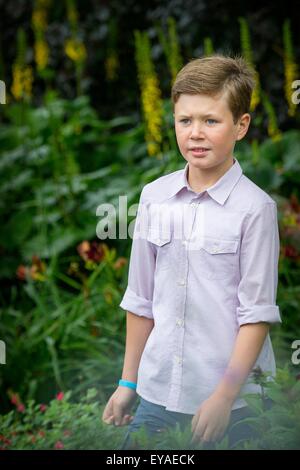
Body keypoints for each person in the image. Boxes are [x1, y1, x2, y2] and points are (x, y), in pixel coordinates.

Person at [102, 54, 282, 450]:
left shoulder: (255, 209)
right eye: (185, 121)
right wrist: (128, 382)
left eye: (211, 121)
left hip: (232, 406)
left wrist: (223, 398)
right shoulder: (154, 197)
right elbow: (140, 300)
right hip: (158, 391)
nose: (196, 133)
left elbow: (256, 315)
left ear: (241, 125)